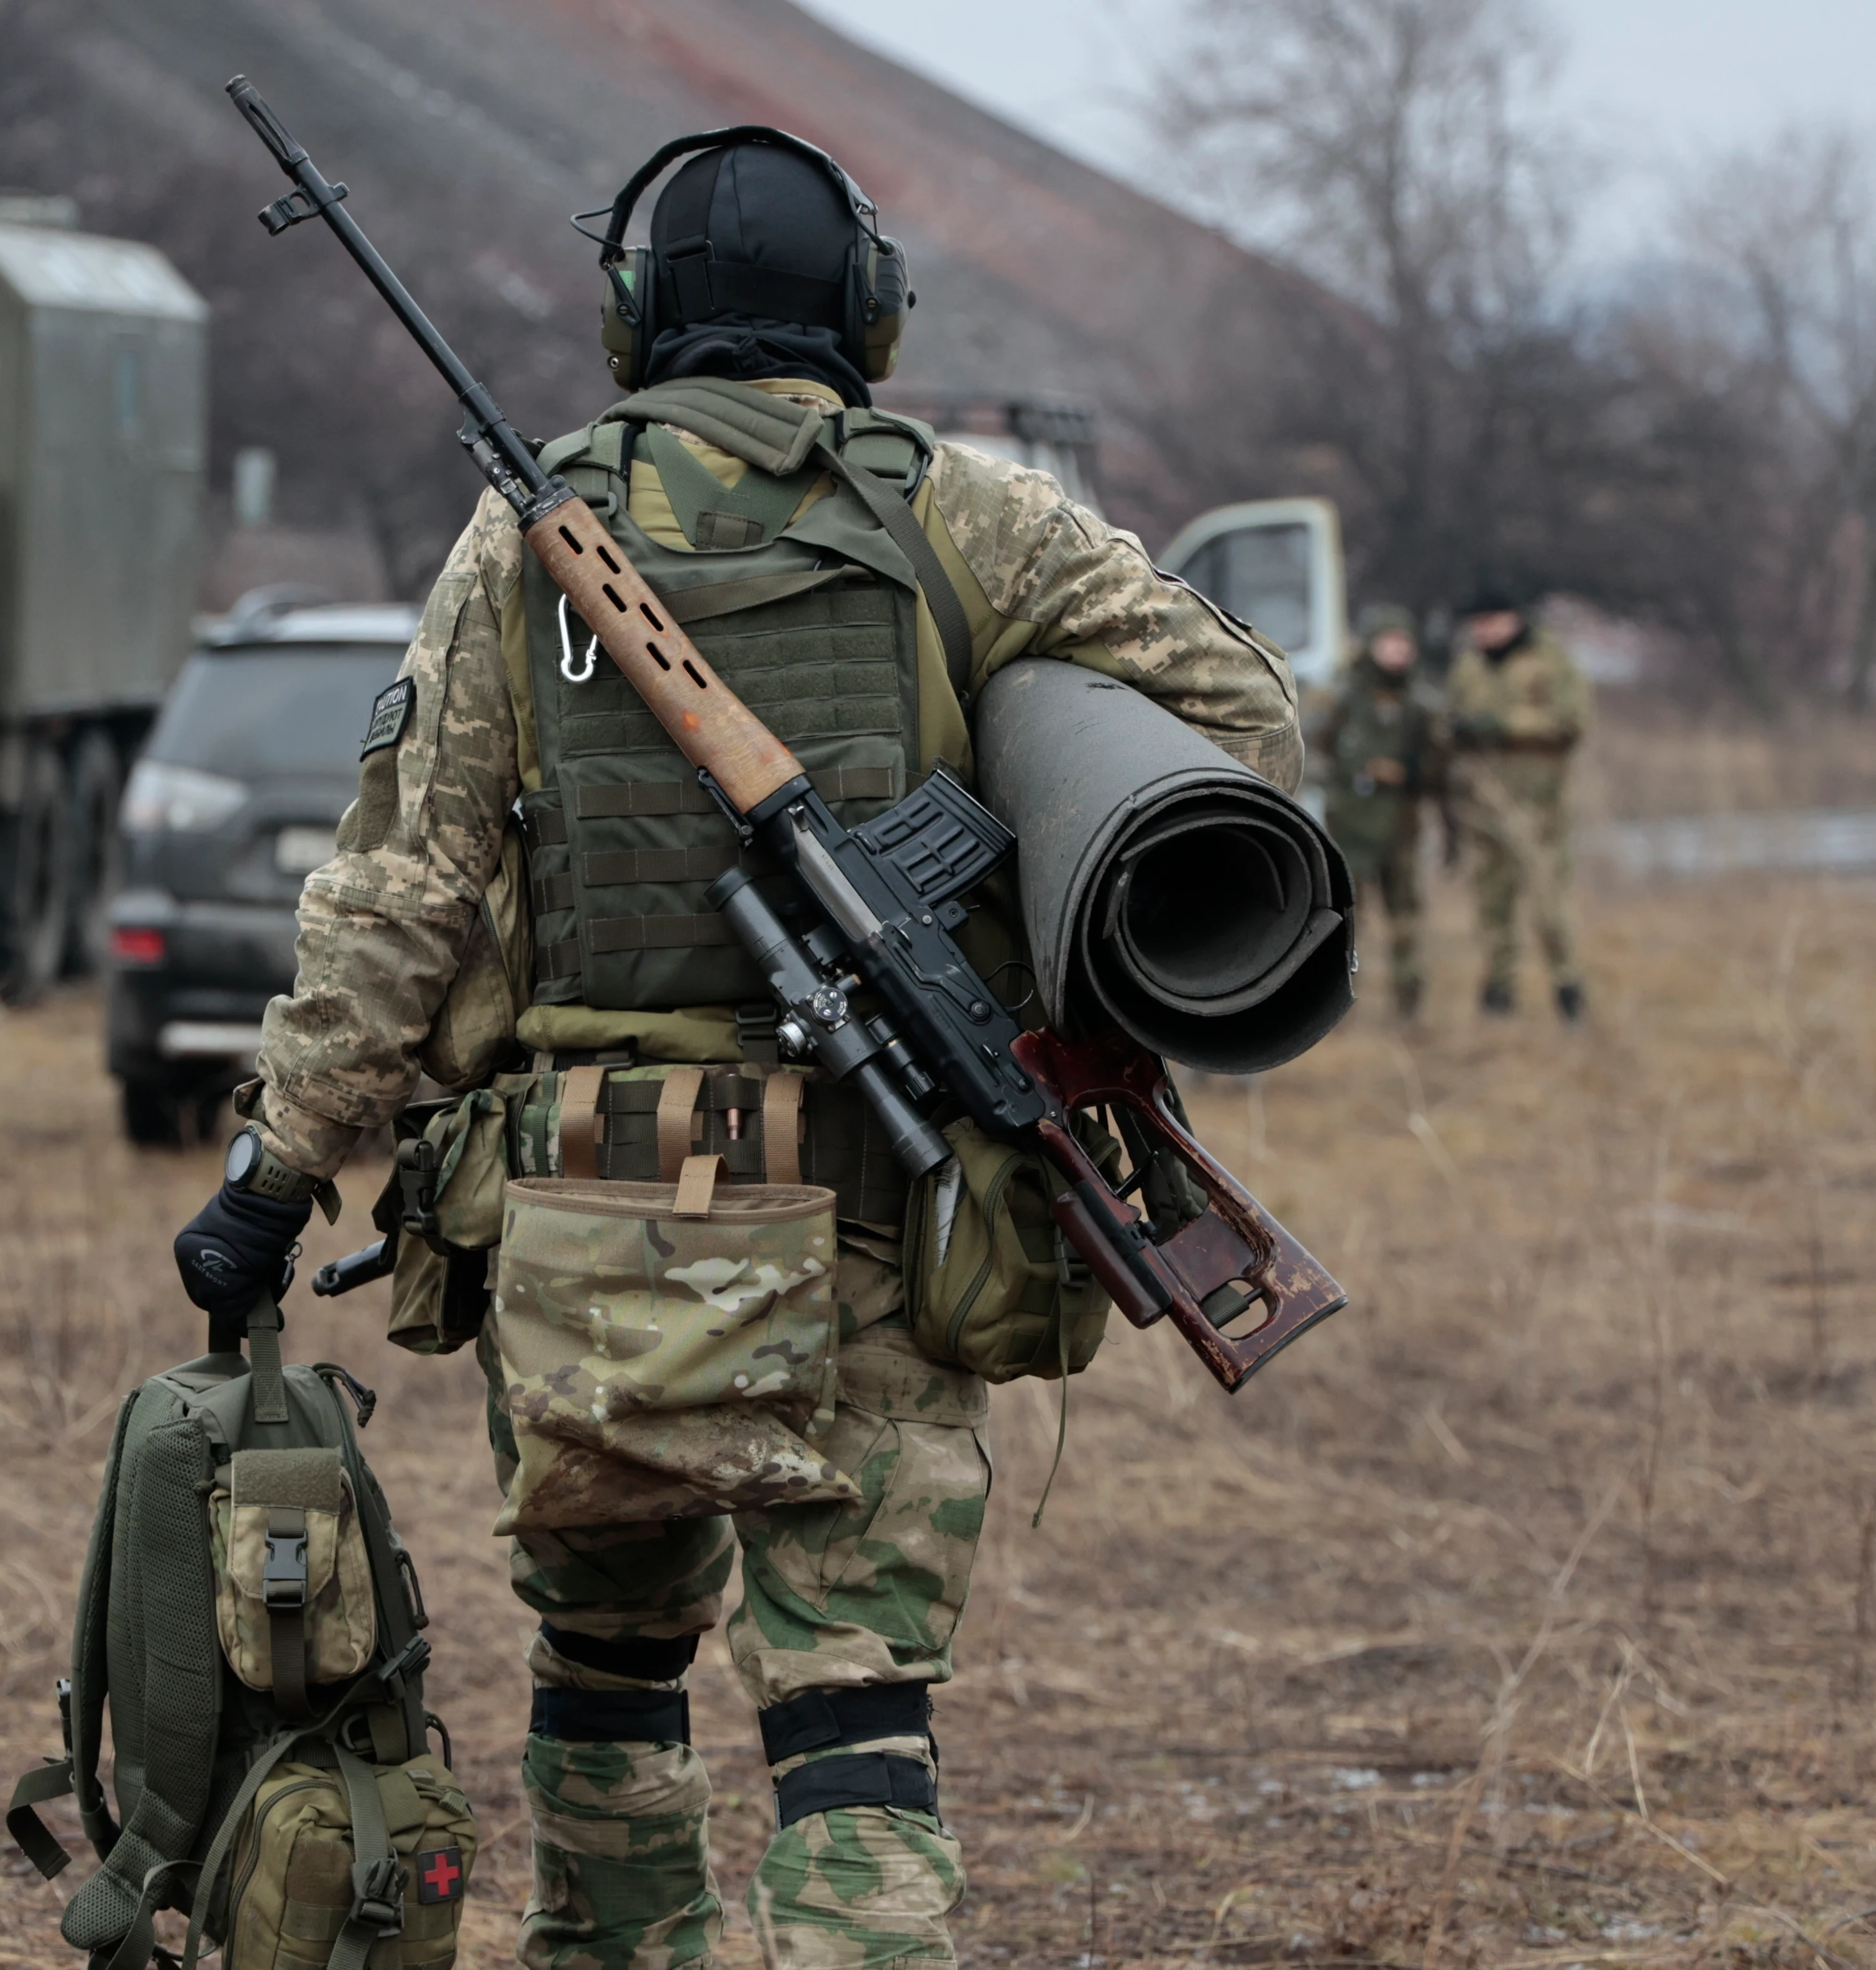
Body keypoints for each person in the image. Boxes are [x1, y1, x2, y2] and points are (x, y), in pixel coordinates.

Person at [172, 129, 1302, 1970]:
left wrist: (275, 1172)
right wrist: (1002, 744)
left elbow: (397, 897)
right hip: (884, 1198)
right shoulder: (968, 515)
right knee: (854, 1723)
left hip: (586, 1213)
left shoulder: (517, 542)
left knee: (606, 1675)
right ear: (867, 311)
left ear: (633, 315)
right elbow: (1241, 713)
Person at [1442, 588, 1590, 1023]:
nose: (1483, 631)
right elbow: (1451, 720)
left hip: (1536, 807)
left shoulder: (1550, 660)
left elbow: (1572, 722)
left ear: (1512, 619)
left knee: (1549, 906)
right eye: (1477, 623)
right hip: (1481, 806)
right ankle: (1498, 995)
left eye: (1491, 621)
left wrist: (1503, 726)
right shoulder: (1469, 667)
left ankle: (1568, 991)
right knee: (1491, 907)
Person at [1308, 604, 1443, 1018]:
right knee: (1347, 920)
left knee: (1406, 918)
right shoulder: (1344, 694)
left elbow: (1441, 764)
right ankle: (1339, 1002)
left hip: (1401, 828)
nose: (1397, 653)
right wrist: (1354, 772)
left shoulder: (1424, 703)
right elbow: (1315, 751)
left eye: (1404, 644)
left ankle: (1409, 1003)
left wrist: (1409, 772)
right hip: (1349, 826)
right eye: (1389, 643)